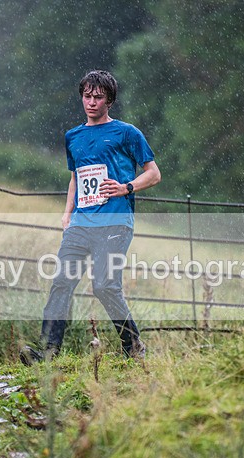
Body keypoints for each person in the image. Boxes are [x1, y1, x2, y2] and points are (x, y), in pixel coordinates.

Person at [21, 70, 161, 365]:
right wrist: (67, 213)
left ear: (109, 100)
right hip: (81, 223)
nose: (92, 102)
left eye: (98, 97)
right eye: (87, 96)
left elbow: (154, 173)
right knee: (61, 282)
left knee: (105, 286)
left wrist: (127, 187)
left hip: (115, 220)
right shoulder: (73, 136)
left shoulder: (127, 133)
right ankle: (47, 354)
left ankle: (133, 345)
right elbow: (76, 178)